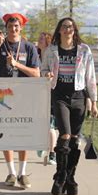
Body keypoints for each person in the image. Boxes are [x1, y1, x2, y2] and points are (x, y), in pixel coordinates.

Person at [41, 17, 98, 195]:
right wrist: (47, 74)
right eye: (65, 27)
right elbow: (43, 70)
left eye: (71, 27)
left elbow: (91, 77)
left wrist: (94, 101)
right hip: (59, 96)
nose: (68, 30)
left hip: (78, 97)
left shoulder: (84, 50)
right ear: (59, 30)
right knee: (64, 135)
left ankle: (70, 177)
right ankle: (60, 176)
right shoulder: (51, 50)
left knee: (75, 139)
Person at [0, 13, 40, 189]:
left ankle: (23, 173)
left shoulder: (29, 47)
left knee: (23, 134)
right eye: (10, 27)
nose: (13, 29)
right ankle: (11, 172)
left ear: (21, 28)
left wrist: (17, 65)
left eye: (16, 26)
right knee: (5, 134)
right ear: (6, 28)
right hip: (2, 96)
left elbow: (37, 74)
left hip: (23, 96)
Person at [36, 32, 57, 166]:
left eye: (42, 38)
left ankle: (52, 154)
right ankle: (41, 144)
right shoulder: (36, 54)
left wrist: (50, 76)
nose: (39, 40)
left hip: (51, 92)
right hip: (37, 93)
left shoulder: (52, 55)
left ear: (48, 41)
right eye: (39, 38)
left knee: (50, 124)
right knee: (40, 123)